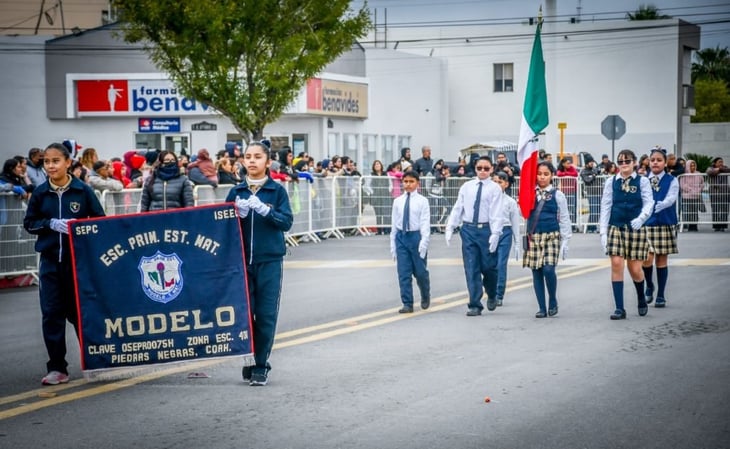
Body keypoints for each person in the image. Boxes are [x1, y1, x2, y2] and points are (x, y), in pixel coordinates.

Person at [23, 142, 106, 385]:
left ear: (68, 163)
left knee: (81, 314)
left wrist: (80, 230)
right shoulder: (40, 193)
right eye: (46, 162)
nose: (50, 166)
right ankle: (57, 367)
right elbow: (29, 223)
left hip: (77, 264)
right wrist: (50, 224)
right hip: (50, 263)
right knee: (51, 315)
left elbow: (100, 222)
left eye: (55, 161)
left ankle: (95, 362)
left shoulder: (83, 191)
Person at [226, 141, 293, 386]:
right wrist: (234, 215)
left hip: (270, 261)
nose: (252, 161)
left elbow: (286, 222)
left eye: (257, 157)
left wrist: (267, 212)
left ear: (267, 161)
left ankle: (261, 364)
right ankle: (250, 359)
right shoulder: (236, 192)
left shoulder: (277, 191)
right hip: (242, 262)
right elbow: (222, 226)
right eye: (248, 157)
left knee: (265, 315)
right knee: (245, 315)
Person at [444, 156, 504, 316]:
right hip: (469, 229)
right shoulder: (467, 187)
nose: (483, 171)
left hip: (486, 229)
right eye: (479, 168)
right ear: (475, 169)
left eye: (486, 168)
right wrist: (451, 225)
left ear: (491, 169)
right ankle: (475, 304)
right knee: (472, 268)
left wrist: (496, 233)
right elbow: (458, 207)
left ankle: (491, 292)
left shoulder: (494, 188)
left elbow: (497, 213)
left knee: (489, 267)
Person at [599, 149, 654, 320]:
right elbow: (606, 205)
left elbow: (649, 203)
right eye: (621, 162)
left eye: (627, 161)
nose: (624, 164)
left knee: (635, 269)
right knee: (616, 263)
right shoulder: (611, 182)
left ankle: (641, 298)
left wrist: (642, 218)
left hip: (635, 227)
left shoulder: (642, 181)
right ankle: (619, 308)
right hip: (616, 226)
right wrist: (603, 232)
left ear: (634, 162)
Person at [522, 162, 572, 318]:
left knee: (548, 269)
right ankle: (541, 307)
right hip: (534, 235)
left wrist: (565, 241)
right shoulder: (530, 193)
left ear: (552, 175)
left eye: (546, 174)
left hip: (552, 235)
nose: (542, 177)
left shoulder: (557, 195)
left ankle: (552, 299)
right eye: (539, 174)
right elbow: (523, 214)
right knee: (536, 272)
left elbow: (564, 218)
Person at [390, 170, 431, 313]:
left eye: (411, 182)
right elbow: (394, 223)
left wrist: (424, 241)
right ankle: (407, 303)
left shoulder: (422, 201)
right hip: (402, 237)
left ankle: (425, 293)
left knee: (420, 272)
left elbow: (425, 222)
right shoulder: (397, 201)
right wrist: (393, 245)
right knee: (403, 272)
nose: (408, 184)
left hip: (416, 236)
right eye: (405, 181)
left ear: (417, 184)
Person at [642, 148, 679, 308]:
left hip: (665, 221)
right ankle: (649, 285)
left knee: (661, 259)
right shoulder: (643, 180)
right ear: (649, 162)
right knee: (646, 259)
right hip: (647, 222)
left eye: (659, 160)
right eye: (653, 160)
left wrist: (662, 204)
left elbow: (671, 198)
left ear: (665, 163)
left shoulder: (672, 180)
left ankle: (661, 295)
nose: (655, 162)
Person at [492, 171, 521, 307]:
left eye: (500, 182)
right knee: (489, 265)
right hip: (490, 232)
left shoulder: (510, 202)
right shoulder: (487, 200)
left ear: (506, 184)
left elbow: (514, 222)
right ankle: (490, 290)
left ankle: (499, 294)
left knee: (500, 264)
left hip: (505, 231)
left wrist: (517, 243)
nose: (497, 185)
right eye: (495, 181)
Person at [365, 160, 392, 235]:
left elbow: (390, 184)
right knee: (378, 214)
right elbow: (367, 185)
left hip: (385, 195)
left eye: (378, 164)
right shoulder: (371, 175)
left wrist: (388, 190)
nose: (377, 165)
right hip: (376, 197)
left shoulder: (386, 174)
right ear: (373, 166)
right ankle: (379, 230)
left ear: (381, 165)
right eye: (375, 164)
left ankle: (387, 230)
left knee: (386, 213)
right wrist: (372, 192)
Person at [679, 159, 704, 232]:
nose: (692, 167)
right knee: (688, 212)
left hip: (696, 196)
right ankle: (688, 225)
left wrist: (698, 190)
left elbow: (702, 184)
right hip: (687, 197)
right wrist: (691, 190)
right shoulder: (684, 175)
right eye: (691, 166)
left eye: (694, 165)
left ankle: (694, 226)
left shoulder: (698, 173)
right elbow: (682, 185)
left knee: (695, 211)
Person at [706, 157, 730, 232]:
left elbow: (728, 170)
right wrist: (718, 170)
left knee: (724, 209)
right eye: (719, 162)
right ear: (715, 163)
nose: (721, 163)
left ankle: (723, 225)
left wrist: (719, 169)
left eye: (722, 162)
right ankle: (716, 226)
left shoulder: (725, 168)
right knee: (715, 209)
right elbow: (710, 172)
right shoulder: (710, 168)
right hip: (714, 192)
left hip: (724, 192)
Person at [579, 156, 601, 233]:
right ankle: (591, 227)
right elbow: (587, 180)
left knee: (598, 210)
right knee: (594, 210)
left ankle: (594, 226)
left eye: (592, 162)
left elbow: (599, 171)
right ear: (587, 163)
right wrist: (594, 175)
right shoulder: (584, 171)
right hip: (591, 193)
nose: (592, 163)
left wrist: (594, 173)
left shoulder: (594, 169)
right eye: (590, 162)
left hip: (598, 192)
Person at [556, 157, 579, 230]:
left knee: (573, 208)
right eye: (567, 163)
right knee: (565, 208)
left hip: (572, 191)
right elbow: (559, 174)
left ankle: (573, 225)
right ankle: (565, 224)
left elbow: (575, 174)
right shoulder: (560, 169)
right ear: (563, 164)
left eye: (569, 163)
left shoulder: (572, 168)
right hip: (564, 191)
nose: (569, 165)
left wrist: (565, 174)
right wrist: (567, 174)